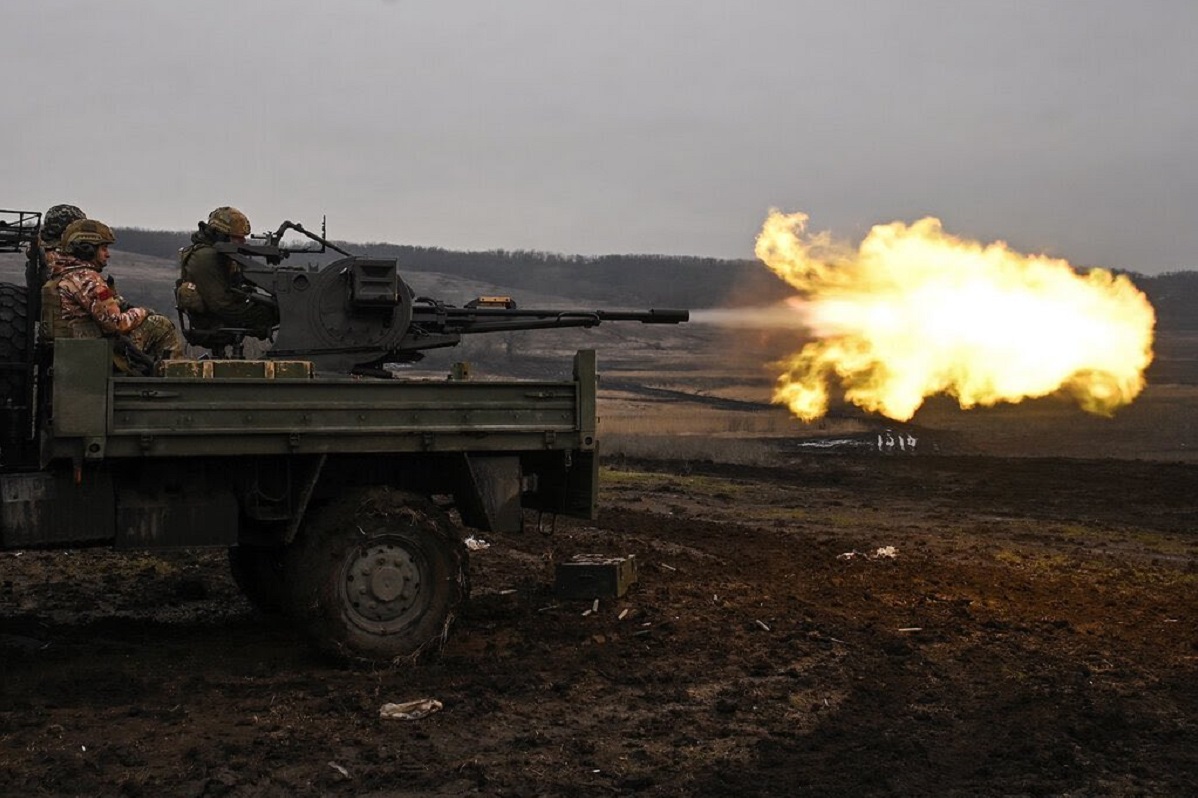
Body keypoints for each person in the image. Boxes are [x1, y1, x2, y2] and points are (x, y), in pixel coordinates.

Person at [55, 218, 183, 372]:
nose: (107, 254)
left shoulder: (66, 274)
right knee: (161, 325)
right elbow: (115, 323)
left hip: (82, 344)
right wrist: (142, 312)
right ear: (87, 249)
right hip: (98, 347)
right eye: (103, 249)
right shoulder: (87, 279)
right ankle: (176, 374)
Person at [177, 206, 279, 339]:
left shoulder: (220, 254)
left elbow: (246, 275)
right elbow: (222, 305)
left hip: (221, 313)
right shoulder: (206, 257)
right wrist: (264, 315)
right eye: (238, 238)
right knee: (279, 311)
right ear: (222, 235)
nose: (243, 241)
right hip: (213, 321)